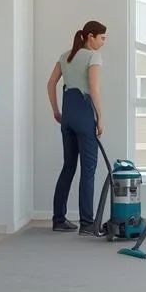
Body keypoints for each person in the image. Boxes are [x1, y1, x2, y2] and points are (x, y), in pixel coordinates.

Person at [47, 21, 107, 234]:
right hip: (83, 115)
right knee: (88, 170)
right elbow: (93, 89)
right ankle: (87, 223)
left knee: (68, 166)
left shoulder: (65, 56)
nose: (103, 42)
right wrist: (100, 118)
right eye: (102, 38)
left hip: (68, 115)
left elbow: (51, 83)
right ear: (91, 36)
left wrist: (56, 111)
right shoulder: (93, 57)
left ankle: (58, 219)